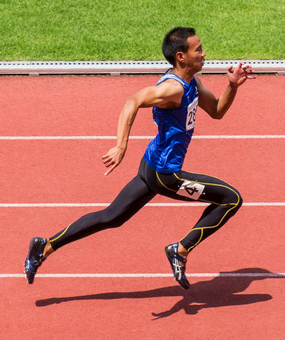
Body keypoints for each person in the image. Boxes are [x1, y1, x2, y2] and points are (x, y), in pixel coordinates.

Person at [24, 27, 254, 289]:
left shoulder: (193, 82)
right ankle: (180, 250)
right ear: (181, 56)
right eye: (198, 49)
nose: (204, 53)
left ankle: (44, 247)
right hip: (166, 176)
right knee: (231, 199)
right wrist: (121, 146)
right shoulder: (172, 90)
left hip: (150, 166)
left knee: (111, 216)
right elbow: (131, 101)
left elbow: (216, 111)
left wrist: (232, 86)